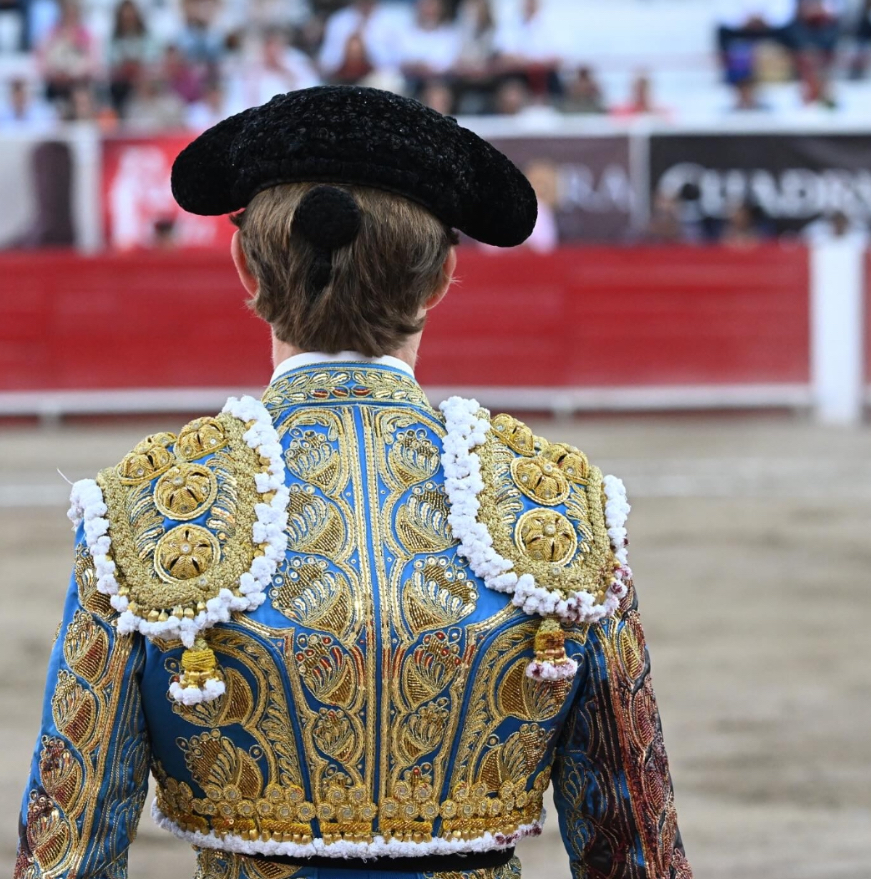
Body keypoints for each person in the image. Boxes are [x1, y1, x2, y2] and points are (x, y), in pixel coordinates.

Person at [13, 85, 692, 879]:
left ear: (245, 266)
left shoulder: (140, 509)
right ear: (440, 277)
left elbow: (68, 851)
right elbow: (637, 851)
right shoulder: (561, 507)